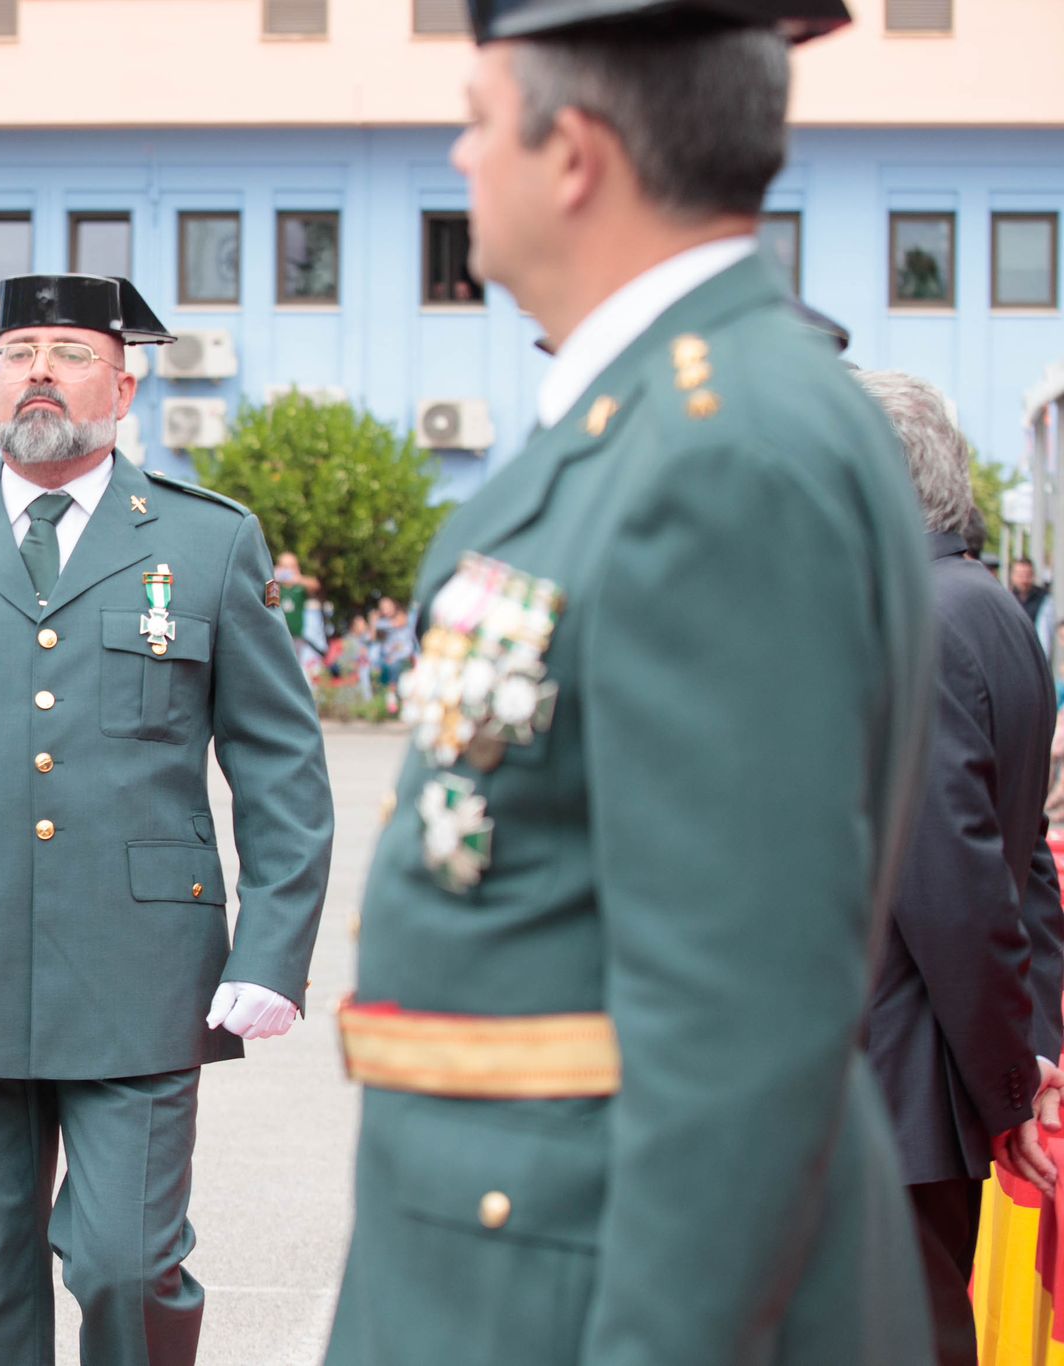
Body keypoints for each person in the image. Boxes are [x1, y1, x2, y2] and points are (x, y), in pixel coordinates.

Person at [328, 3, 941, 1363]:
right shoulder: (658, 420)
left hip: (586, 1286)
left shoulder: (715, 459)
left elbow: (738, 1032)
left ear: (576, 156)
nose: (457, 155)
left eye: (480, 121)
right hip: (511, 1251)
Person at [0, 273, 333, 1366]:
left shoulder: (206, 543)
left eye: (67, 351)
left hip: (141, 968)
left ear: (123, 384)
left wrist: (273, 947)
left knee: (127, 1262)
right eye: (13, 349)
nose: (35, 369)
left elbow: (279, 764)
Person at [855, 370, 1064, 1366]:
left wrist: (1006, 1085)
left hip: (890, 1081)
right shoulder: (986, 609)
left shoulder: (918, 622)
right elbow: (1020, 868)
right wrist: (1026, 1050)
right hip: (927, 1082)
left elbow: (952, 880)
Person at [1011, 557, 1055, 663]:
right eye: (1020, 575)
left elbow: (1044, 637)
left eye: (1027, 575)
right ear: (1012, 576)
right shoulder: (1007, 597)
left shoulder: (1043, 599)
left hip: (1034, 658)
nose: (1024, 580)